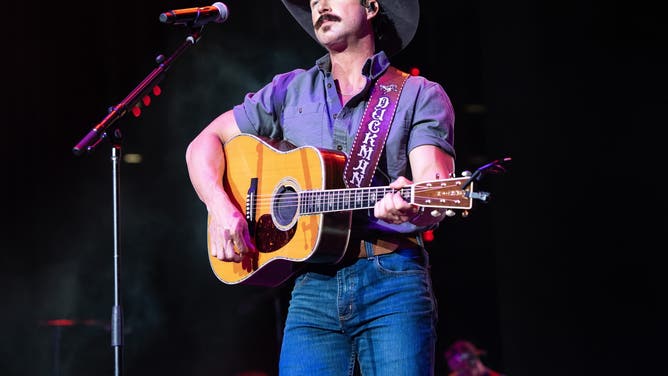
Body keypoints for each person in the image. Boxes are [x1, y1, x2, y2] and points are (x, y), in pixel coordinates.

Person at [185, 0, 456, 374]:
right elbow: (203, 144)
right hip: (312, 286)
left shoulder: (418, 94)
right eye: (313, 2)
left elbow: (434, 188)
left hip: (391, 280)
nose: (320, 6)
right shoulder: (289, 90)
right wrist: (220, 206)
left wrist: (412, 204)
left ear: (372, 6)